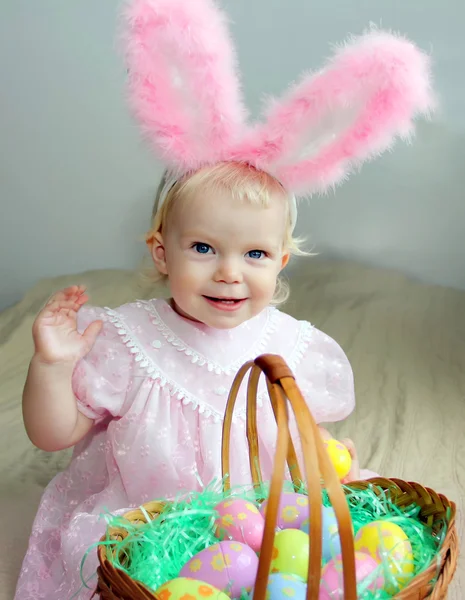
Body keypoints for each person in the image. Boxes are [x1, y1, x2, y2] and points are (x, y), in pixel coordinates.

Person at [15, 0, 434, 597]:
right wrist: (53, 367)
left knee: (330, 550)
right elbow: (53, 435)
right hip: (156, 533)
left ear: (282, 261)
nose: (229, 274)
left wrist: (328, 458)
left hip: (266, 527)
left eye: (255, 255)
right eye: (205, 249)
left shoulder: (289, 346)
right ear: (162, 253)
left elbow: (301, 433)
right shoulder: (128, 340)